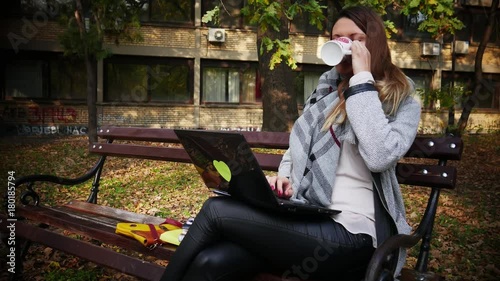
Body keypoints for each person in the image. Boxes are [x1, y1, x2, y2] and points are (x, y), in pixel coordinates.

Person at [160, 5, 421, 281]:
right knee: (211, 262)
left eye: (355, 39)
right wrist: (285, 179)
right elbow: (299, 143)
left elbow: (380, 155)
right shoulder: (327, 87)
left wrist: (362, 81)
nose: (344, 44)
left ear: (374, 42)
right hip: (310, 220)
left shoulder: (401, 98)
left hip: (356, 238)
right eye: (337, 37)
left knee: (216, 211)